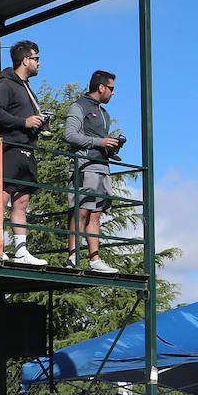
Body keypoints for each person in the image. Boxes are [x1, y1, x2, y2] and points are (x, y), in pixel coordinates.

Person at [0, 39, 47, 265]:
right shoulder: (5, 84)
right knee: (2, 199)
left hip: (28, 149)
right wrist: (23, 122)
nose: (39, 63)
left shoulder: (26, 87)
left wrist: (39, 124)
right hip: (10, 147)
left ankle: (21, 250)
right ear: (25, 60)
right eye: (36, 58)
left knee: (22, 202)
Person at [63, 70, 124, 274]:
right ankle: (73, 256)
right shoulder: (79, 106)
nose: (113, 93)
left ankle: (94, 259)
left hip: (102, 168)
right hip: (84, 167)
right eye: (111, 88)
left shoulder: (104, 112)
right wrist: (100, 142)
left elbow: (98, 140)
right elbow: (70, 135)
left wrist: (111, 147)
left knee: (96, 214)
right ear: (101, 87)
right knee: (81, 210)